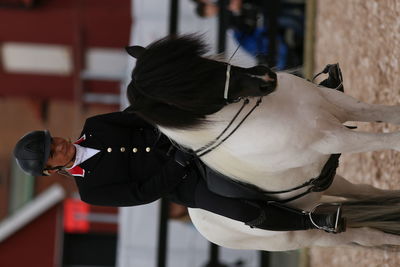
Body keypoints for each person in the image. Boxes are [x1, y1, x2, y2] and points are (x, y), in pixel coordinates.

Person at [13, 109, 345, 233]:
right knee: (237, 209)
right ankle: (310, 221)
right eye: (52, 153)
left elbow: (142, 116)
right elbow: (142, 193)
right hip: (185, 180)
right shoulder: (91, 191)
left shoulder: (95, 124)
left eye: (52, 140)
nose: (59, 146)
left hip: (183, 140)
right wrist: (177, 164)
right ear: (50, 170)